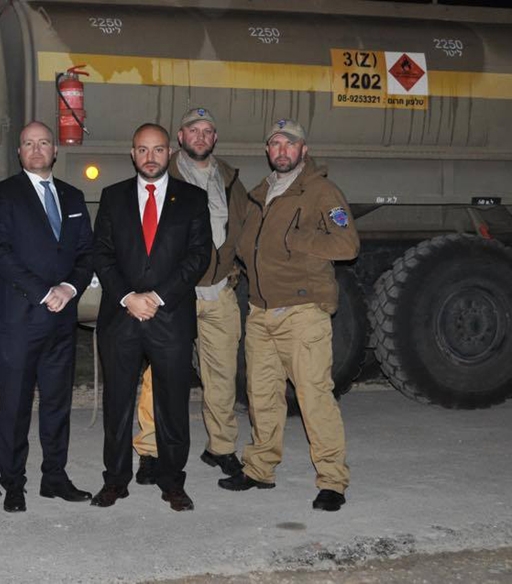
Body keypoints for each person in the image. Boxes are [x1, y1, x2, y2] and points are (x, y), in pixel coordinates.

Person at [219, 119, 359, 513]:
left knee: (314, 396)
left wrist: (293, 239)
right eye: (275, 144)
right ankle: (259, 469)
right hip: (261, 312)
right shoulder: (260, 194)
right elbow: (248, 247)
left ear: (303, 150)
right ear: (268, 151)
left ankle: (332, 480)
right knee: (261, 397)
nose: (282, 150)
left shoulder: (320, 190)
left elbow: (347, 244)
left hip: (302, 311)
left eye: (290, 144)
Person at [91, 123, 211, 512]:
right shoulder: (112, 197)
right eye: (142, 150)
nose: (150, 157)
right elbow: (102, 254)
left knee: (173, 405)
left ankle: (173, 482)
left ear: (168, 152)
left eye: (158, 150)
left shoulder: (192, 198)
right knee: (118, 404)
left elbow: (198, 257)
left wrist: (157, 297)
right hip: (122, 318)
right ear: (132, 153)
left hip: (169, 317)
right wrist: (128, 297)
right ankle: (115, 480)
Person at [133, 108, 248, 486]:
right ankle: (149, 452)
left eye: (207, 131)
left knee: (221, 375)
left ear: (214, 138)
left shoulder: (229, 179)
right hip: (174, 294)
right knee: (158, 376)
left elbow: (245, 232)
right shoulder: (164, 174)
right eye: (193, 131)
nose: (200, 137)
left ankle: (221, 447)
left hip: (219, 292)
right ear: (179, 138)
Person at [0, 121, 94, 513]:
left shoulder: (73, 195)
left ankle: (55, 477)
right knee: (14, 405)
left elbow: (86, 254)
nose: (36, 149)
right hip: (20, 318)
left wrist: (70, 288)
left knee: (57, 403)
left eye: (43, 143)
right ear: (19, 152)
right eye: (28, 143)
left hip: (62, 319)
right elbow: (0, 252)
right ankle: (14, 482)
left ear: (54, 150)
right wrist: (43, 290)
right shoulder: (3, 194)